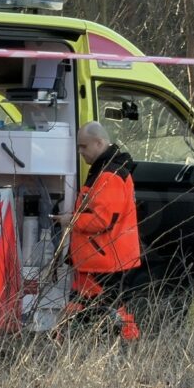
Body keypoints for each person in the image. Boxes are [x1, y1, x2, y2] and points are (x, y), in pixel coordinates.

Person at [54, 122, 141, 340]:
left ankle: (131, 343)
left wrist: (70, 221)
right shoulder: (106, 170)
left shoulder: (109, 175)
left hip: (105, 260)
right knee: (81, 304)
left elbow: (102, 221)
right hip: (97, 258)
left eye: (83, 147)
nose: (80, 152)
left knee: (112, 308)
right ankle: (61, 343)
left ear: (99, 143)